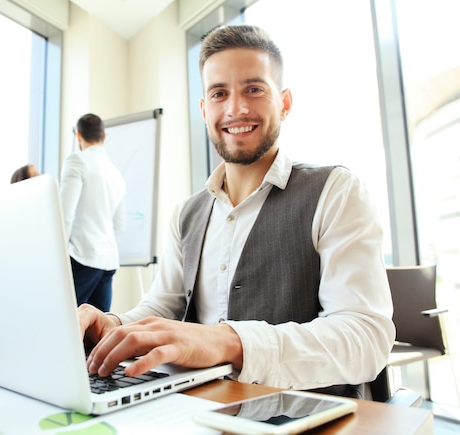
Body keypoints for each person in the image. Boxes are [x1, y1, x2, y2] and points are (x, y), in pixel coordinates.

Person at [78, 24, 395, 399]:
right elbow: (164, 304)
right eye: (219, 93)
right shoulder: (187, 214)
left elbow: (366, 336)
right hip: (202, 411)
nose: (236, 108)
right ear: (204, 109)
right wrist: (113, 325)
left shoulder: (336, 192)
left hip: (311, 415)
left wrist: (230, 341)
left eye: (254, 89)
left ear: (285, 103)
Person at [60, 113, 126, 312]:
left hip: (81, 257)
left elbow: (65, 214)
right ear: (103, 137)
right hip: (107, 262)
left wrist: (60, 253)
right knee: (98, 331)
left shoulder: (76, 160)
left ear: (78, 136)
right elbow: (119, 226)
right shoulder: (117, 174)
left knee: (67, 321)